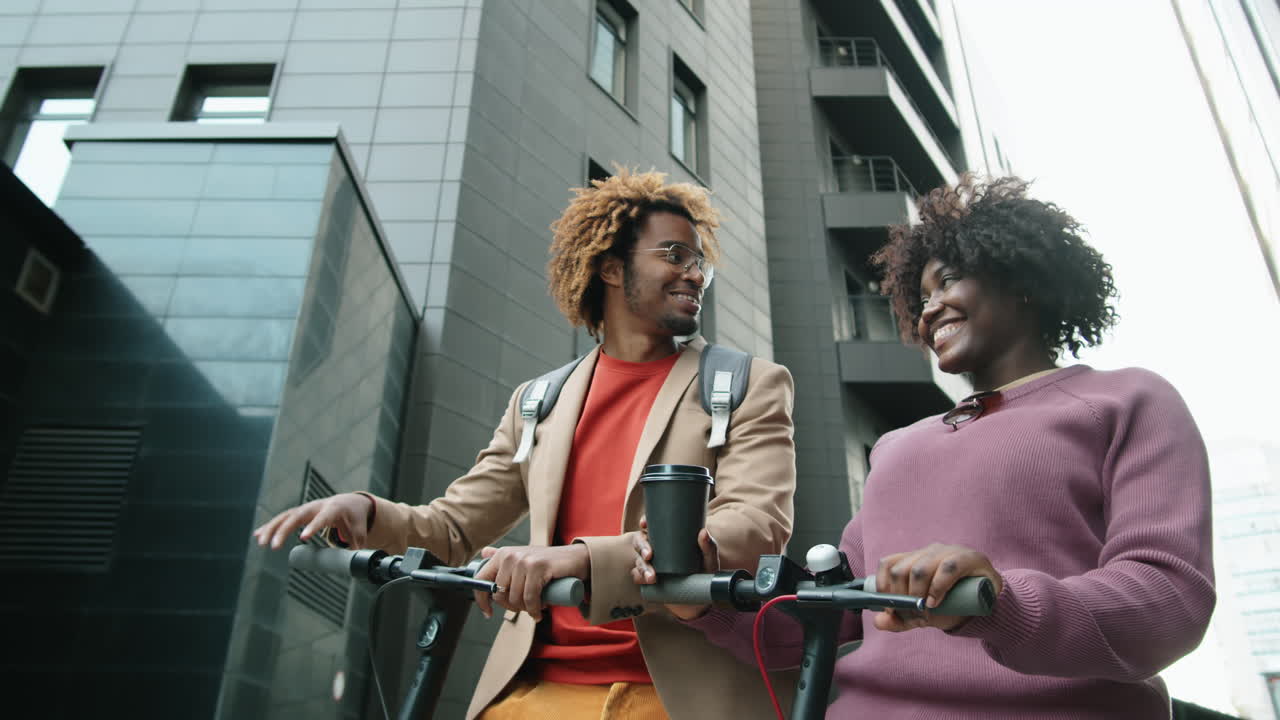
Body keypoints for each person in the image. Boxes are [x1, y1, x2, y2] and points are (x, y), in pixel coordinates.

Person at [633, 175, 1215, 719]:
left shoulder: (1129, 400)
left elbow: (1169, 599)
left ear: (1024, 279)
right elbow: (834, 618)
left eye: (950, 279)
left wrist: (1001, 604)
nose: (930, 304)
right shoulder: (897, 447)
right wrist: (704, 604)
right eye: (922, 292)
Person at [253, 168, 798, 720]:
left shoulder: (748, 383)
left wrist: (582, 560)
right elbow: (453, 529)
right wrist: (367, 512)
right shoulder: (538, 401)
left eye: (699, 261)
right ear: (611, 268)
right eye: (675, 255)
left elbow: (755, 527)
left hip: (678, 697)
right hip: (529, 694)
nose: (696, 274)